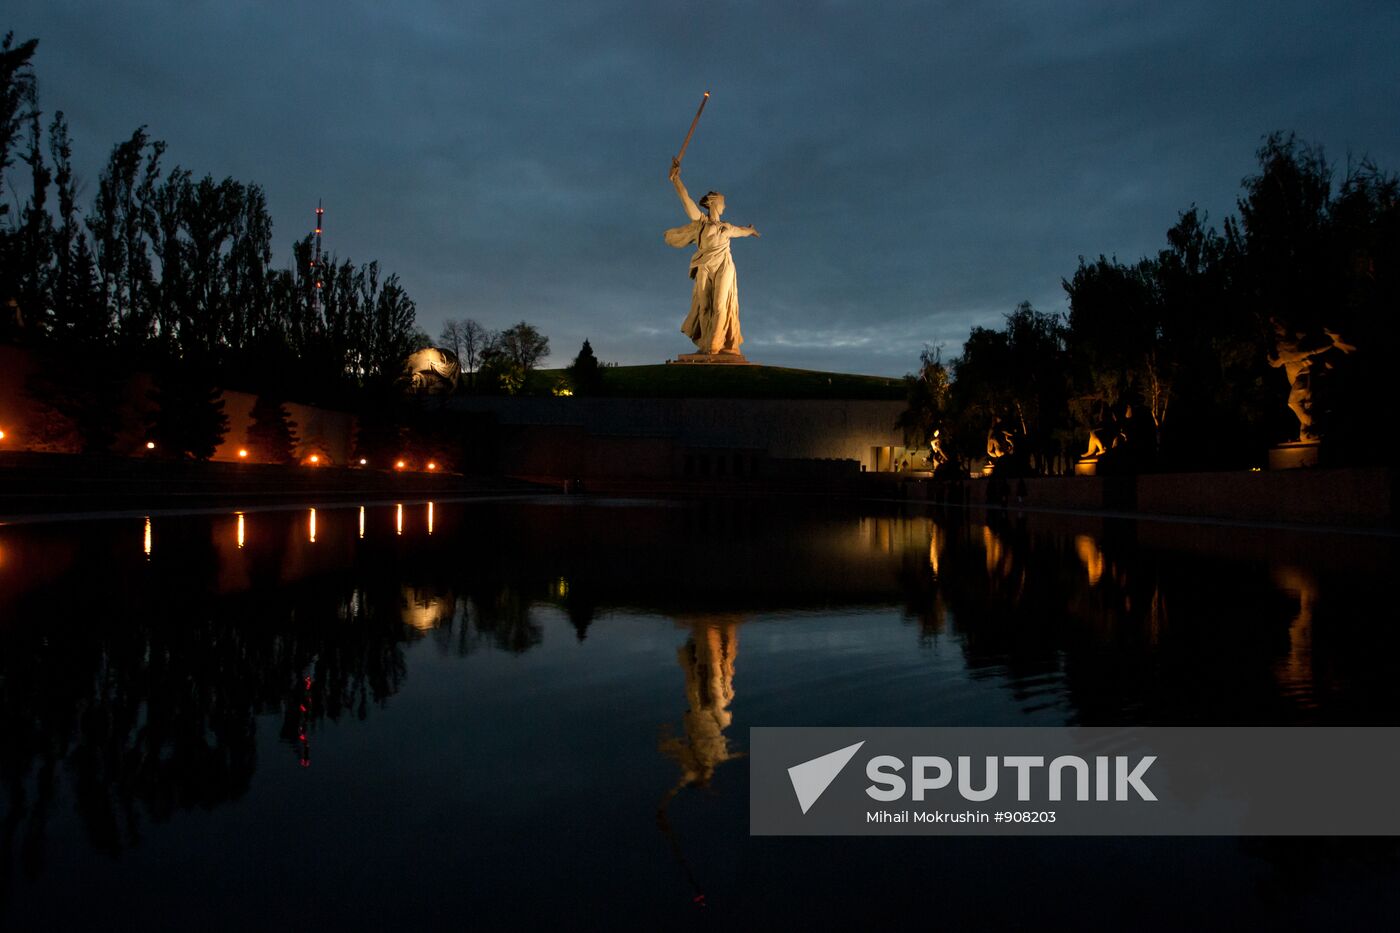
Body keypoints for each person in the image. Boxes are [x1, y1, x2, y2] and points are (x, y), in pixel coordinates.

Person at [665, 160, 760, 354]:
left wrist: (750, 230)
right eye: (723, 202)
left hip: (724, 266)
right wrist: (676, 180)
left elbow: (741, 231)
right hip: (704, 265)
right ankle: (706, 345)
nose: (724, 206)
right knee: (704, 306)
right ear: (715, 203)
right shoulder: (701, 223)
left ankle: (715, 346)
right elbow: (687, 201)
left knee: (719, 304)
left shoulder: (726, 227)